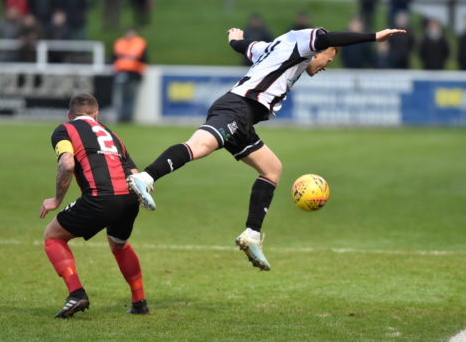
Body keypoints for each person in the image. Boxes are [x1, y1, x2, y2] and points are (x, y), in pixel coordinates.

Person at [128, 26, 405, 271]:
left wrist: (235, 40)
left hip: (245, 116)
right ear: (320, 50)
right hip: (236, 107)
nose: (324, 67)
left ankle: (252, 234)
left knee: (272, 169)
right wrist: (373, 37)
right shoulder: (302, 41)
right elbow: (329, 36)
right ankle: (145, 177)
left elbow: (246, 47)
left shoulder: (275, 47)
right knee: (199, 146)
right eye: (328, 60)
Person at [39, 93, 148, 318]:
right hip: (130, 197)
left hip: (100, 198)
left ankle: (76, 293)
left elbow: (67, 163)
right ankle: (139, 302)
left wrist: (56, 200)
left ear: (70, 115)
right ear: (96, 115)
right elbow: (136, 174)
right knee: (118, 245)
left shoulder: (64, 129)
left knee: (53, 236)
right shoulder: (112, 133)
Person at [112, 28, 147, 122]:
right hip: (120, 73)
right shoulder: (120, 43)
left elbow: (144, 59)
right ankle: (122, 117)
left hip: (133, 74)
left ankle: (128, 118)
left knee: (130, 97)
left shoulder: (139, 43)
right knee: (121, 97)